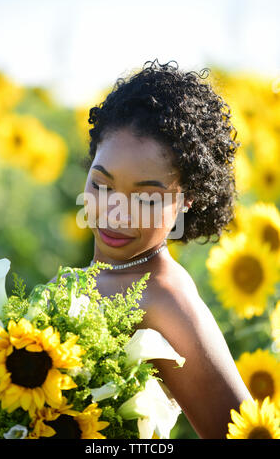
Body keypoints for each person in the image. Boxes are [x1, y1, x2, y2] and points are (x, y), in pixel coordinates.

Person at [50, 59, 252, 439]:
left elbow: (245, 431)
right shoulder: (97, 274)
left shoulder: (166, 300)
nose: (116, 214)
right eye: (102, 185)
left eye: (145, 198)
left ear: (186, 199)